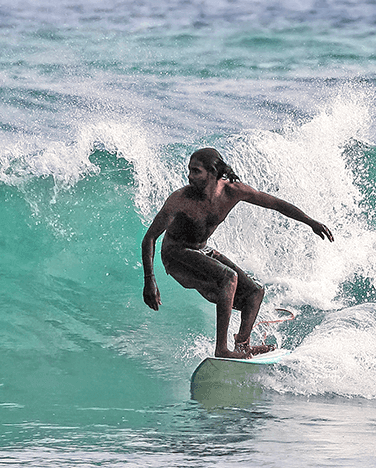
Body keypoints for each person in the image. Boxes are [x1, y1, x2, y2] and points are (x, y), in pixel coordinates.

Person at [142, 147, 335, 359]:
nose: (189, 176)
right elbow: (150, 238)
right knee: (229, 277)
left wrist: (310, 222)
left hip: (201, 250)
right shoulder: (180, 199)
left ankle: (243, 346)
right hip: (175, 254)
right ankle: (222, 349)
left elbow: (276, 204)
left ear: (213, 173)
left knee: (255, 292)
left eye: (196, 171)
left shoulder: (233, 191)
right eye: (189, 170)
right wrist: (150, 280)